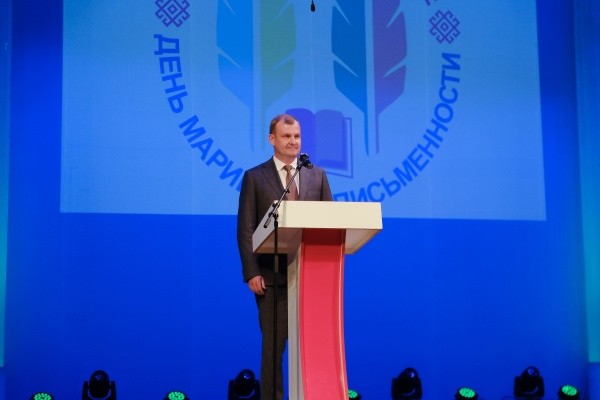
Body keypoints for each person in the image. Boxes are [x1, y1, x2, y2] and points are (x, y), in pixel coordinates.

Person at [236, 113, 333, 400]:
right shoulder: (255, 177)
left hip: (310, 279)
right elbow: (246, 229)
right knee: (273, 350)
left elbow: (330, 222)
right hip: (271, 277)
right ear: (272, 139)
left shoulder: (317, 175)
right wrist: (252, 271)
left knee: (313, 349)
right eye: (287, 136)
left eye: (297, 136)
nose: (293, 141)